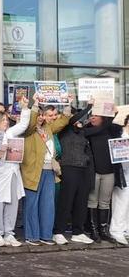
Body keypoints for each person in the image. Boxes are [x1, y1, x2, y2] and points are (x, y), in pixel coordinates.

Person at [21, 99, 69, 245]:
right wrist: (34, 104)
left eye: (42, 115)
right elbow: (29, 123)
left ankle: (46, 235)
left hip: (49, 171)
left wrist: (68, 104)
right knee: (32, 204)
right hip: (33, 171)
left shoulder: (48, 128)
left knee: (47, 204)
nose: (41, 117)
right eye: (38, 115)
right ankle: (32, 236)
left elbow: (62, 122)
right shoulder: (28, 130)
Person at [0, 102, 31, 247]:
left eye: (7, 120)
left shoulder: (10, 133)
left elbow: (23, 125)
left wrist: (24, 108)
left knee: (12, 203)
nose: (6, 122)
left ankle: (9, 233)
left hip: (12, 173)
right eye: (3, 120)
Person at [53, 98, 95, 245]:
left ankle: (78, 231)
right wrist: (89, 106)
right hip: (69, 168)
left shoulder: (82, 132)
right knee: (66, 200)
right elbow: (75, 118)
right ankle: (58, 231)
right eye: (78, 120)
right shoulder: (65, 130)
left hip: (83, 169)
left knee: (81, 202)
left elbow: (99, 128)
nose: (81, 122)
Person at [85, 111, 122, 242]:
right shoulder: (88, 131)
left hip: (109, 172)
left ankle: (103, 230)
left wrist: (112, 112)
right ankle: (93, 230)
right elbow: (86, 132)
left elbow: (119, 127)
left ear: (103, 117)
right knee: (92, 201)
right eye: (91, 116)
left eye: (96, 116)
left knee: (105, 203)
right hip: (94, 172)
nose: (92, 118)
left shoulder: (111, 130)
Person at [109, 114, 129, 244]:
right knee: (121, 202)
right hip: (122, 173)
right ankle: (116, 230)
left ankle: (126, 229)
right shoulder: (119, 133)